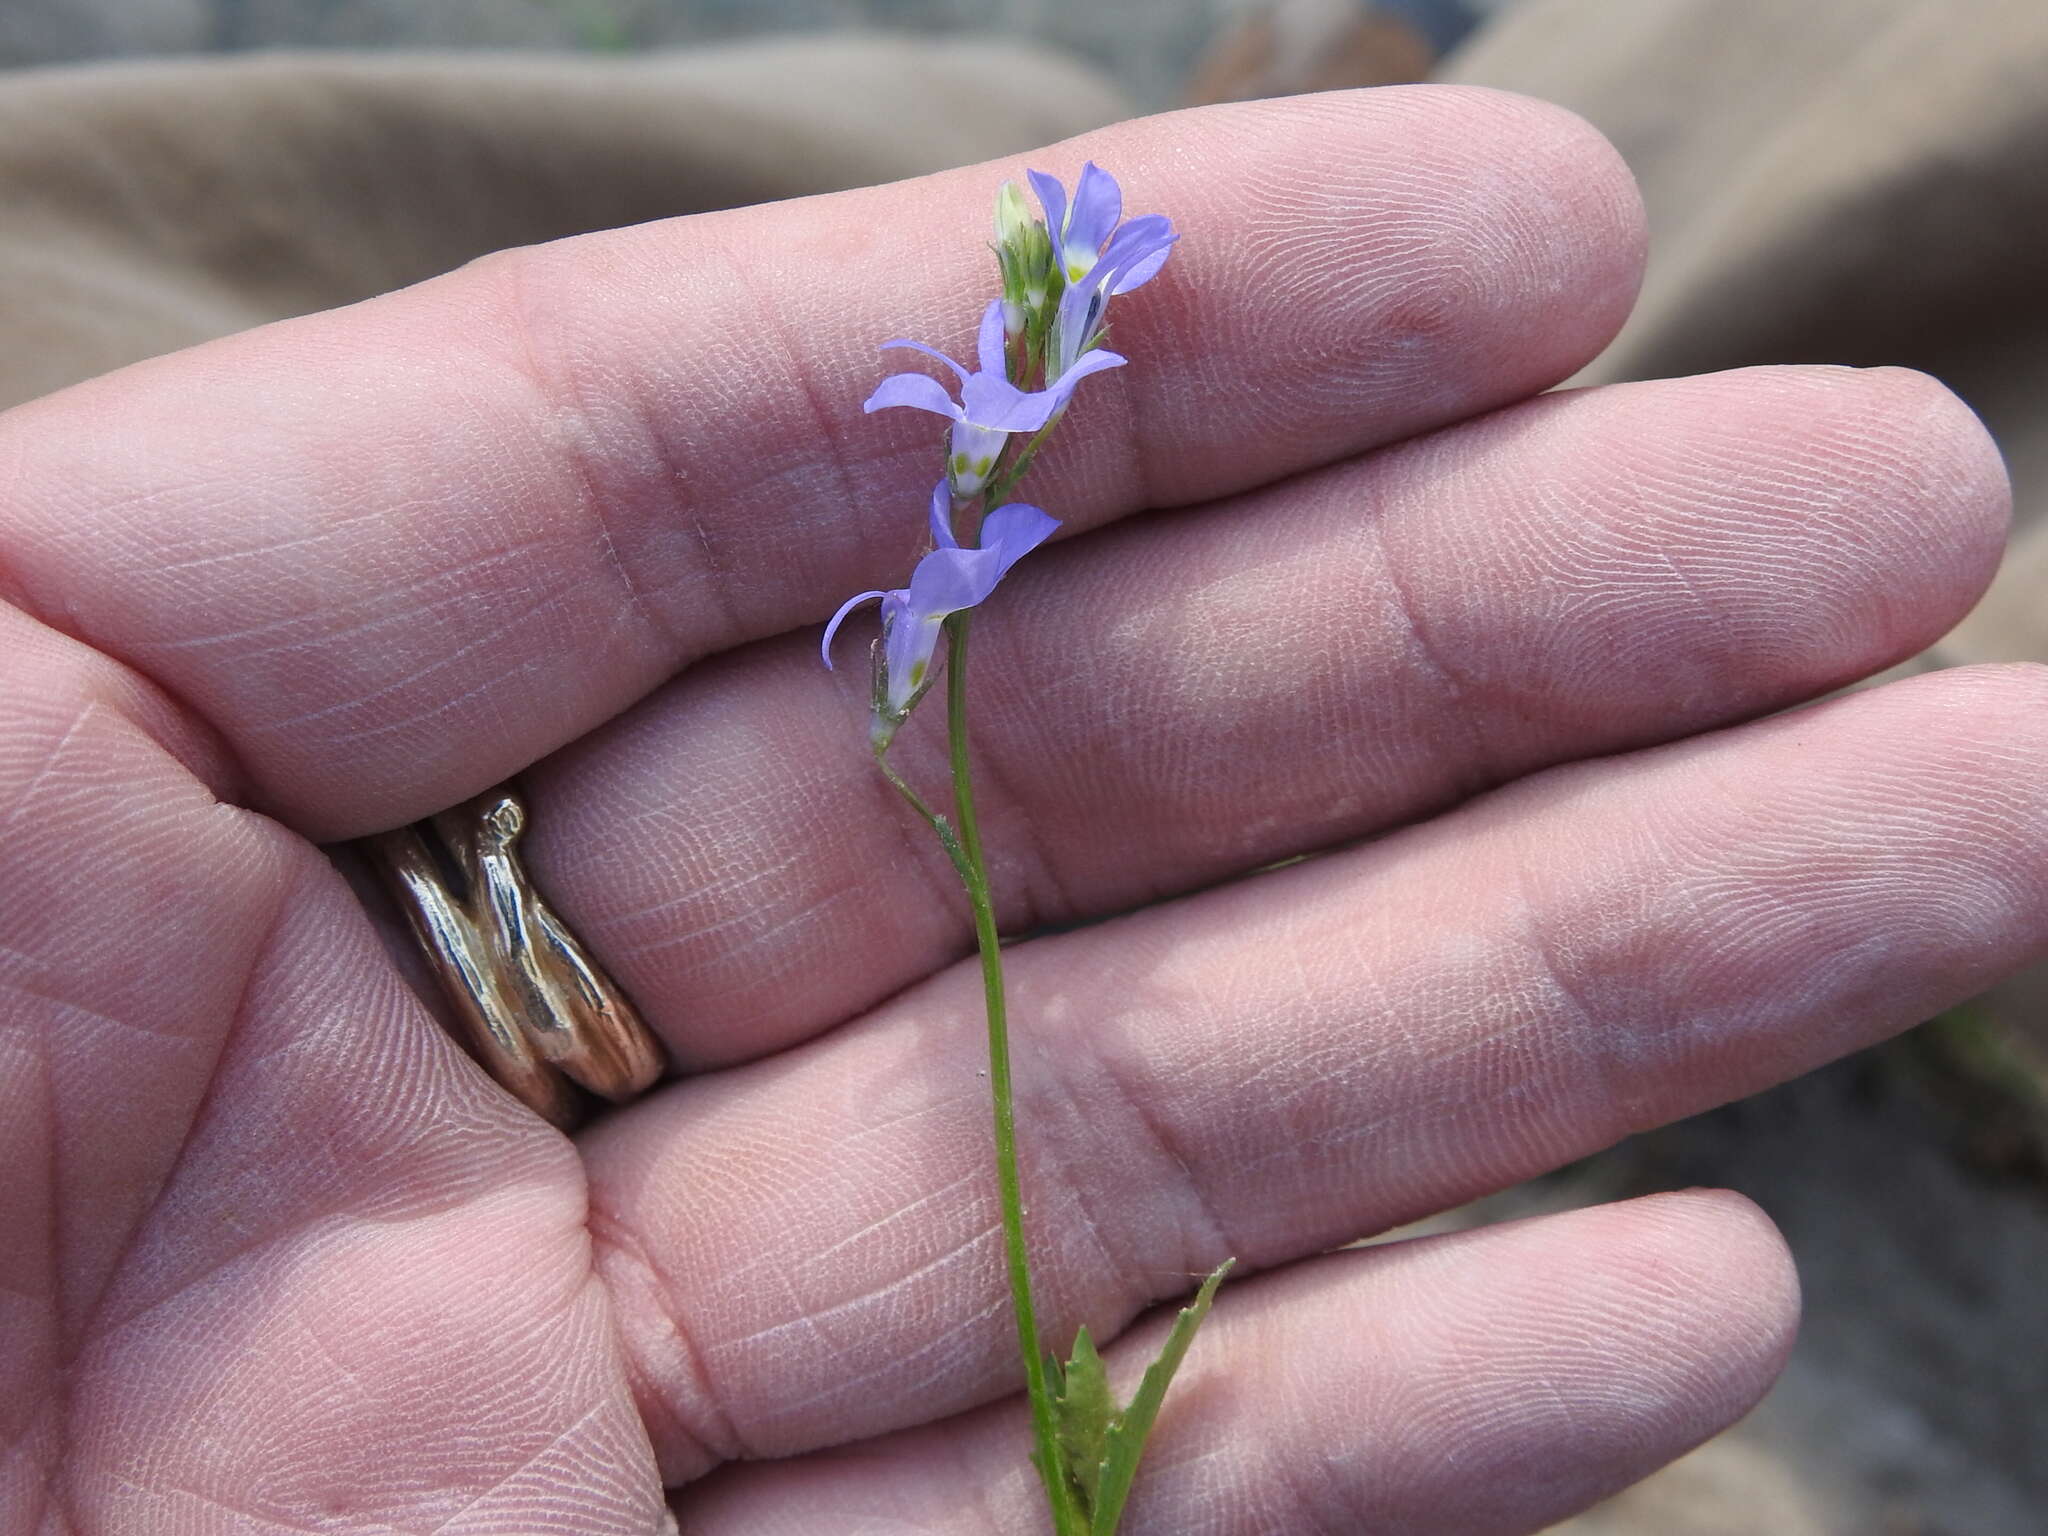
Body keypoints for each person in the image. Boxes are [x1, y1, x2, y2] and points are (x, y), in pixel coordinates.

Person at [0, 21, 2042, 1536]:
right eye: (1027, 350)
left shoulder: (984, 479)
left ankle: (1268, 74)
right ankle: (1294, 70)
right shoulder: (953, 517)